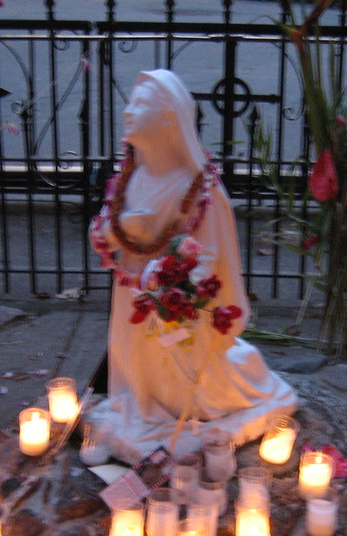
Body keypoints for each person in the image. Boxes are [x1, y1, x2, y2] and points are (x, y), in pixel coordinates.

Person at [88, 69, 297, 464]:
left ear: (169, 119)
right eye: (130, 102)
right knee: (137, 369)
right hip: (132, 295)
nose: (128, 111)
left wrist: (165, 272)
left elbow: (209, 257)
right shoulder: (130, 178)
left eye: (141, 105)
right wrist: (121, 234)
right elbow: (101, 230)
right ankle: (139, 407)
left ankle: (197, 409)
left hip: (177, 308)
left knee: (185, 380)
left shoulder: (200, 190)